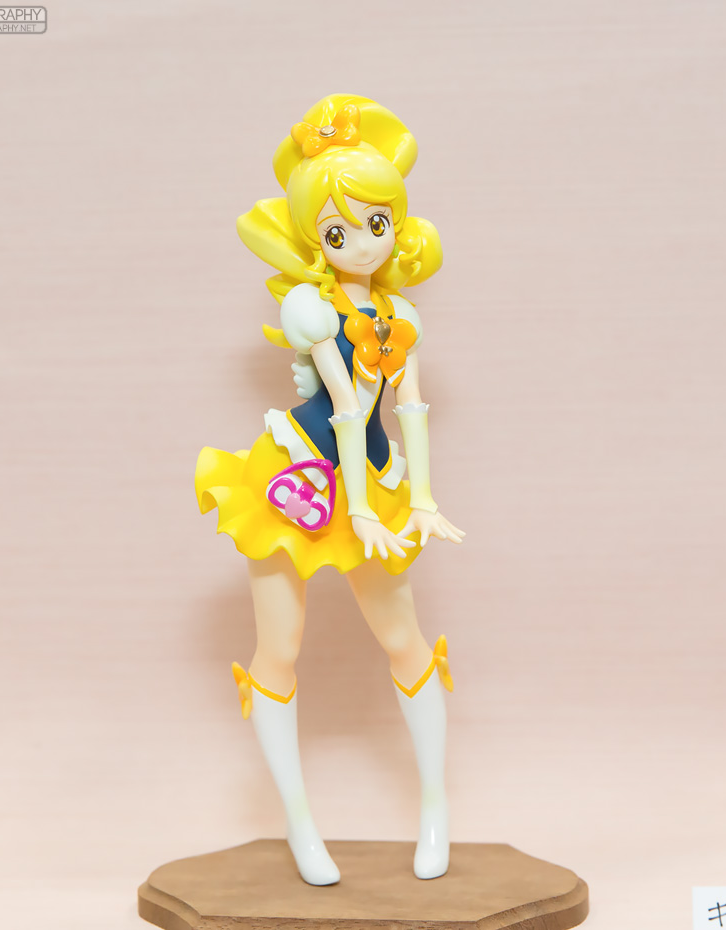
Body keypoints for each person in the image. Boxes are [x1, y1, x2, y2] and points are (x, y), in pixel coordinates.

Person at [195, 94, 464, 885]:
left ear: (396, 224)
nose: (362, 243)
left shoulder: (401, 313)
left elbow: (409, 407)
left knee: (404, 640)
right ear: (317, 239)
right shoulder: (310, 307)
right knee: (278, 648)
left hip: (371, 476)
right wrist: (360, 514)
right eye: (339, 232)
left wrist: (421, 501)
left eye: (376, 224)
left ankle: (436, 806)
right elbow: (345, 408)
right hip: (299, 478)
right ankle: (299, 824)